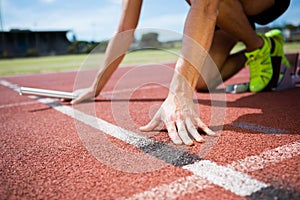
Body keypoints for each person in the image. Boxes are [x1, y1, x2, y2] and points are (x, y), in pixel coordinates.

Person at [70, 0, 290, 145]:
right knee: (203, 79)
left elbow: (206, 6)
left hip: (256, 3)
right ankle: (269, 45)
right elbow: (124, 31)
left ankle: (256, 46)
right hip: (226, 11)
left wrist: (178, 93)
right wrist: (96, 85)